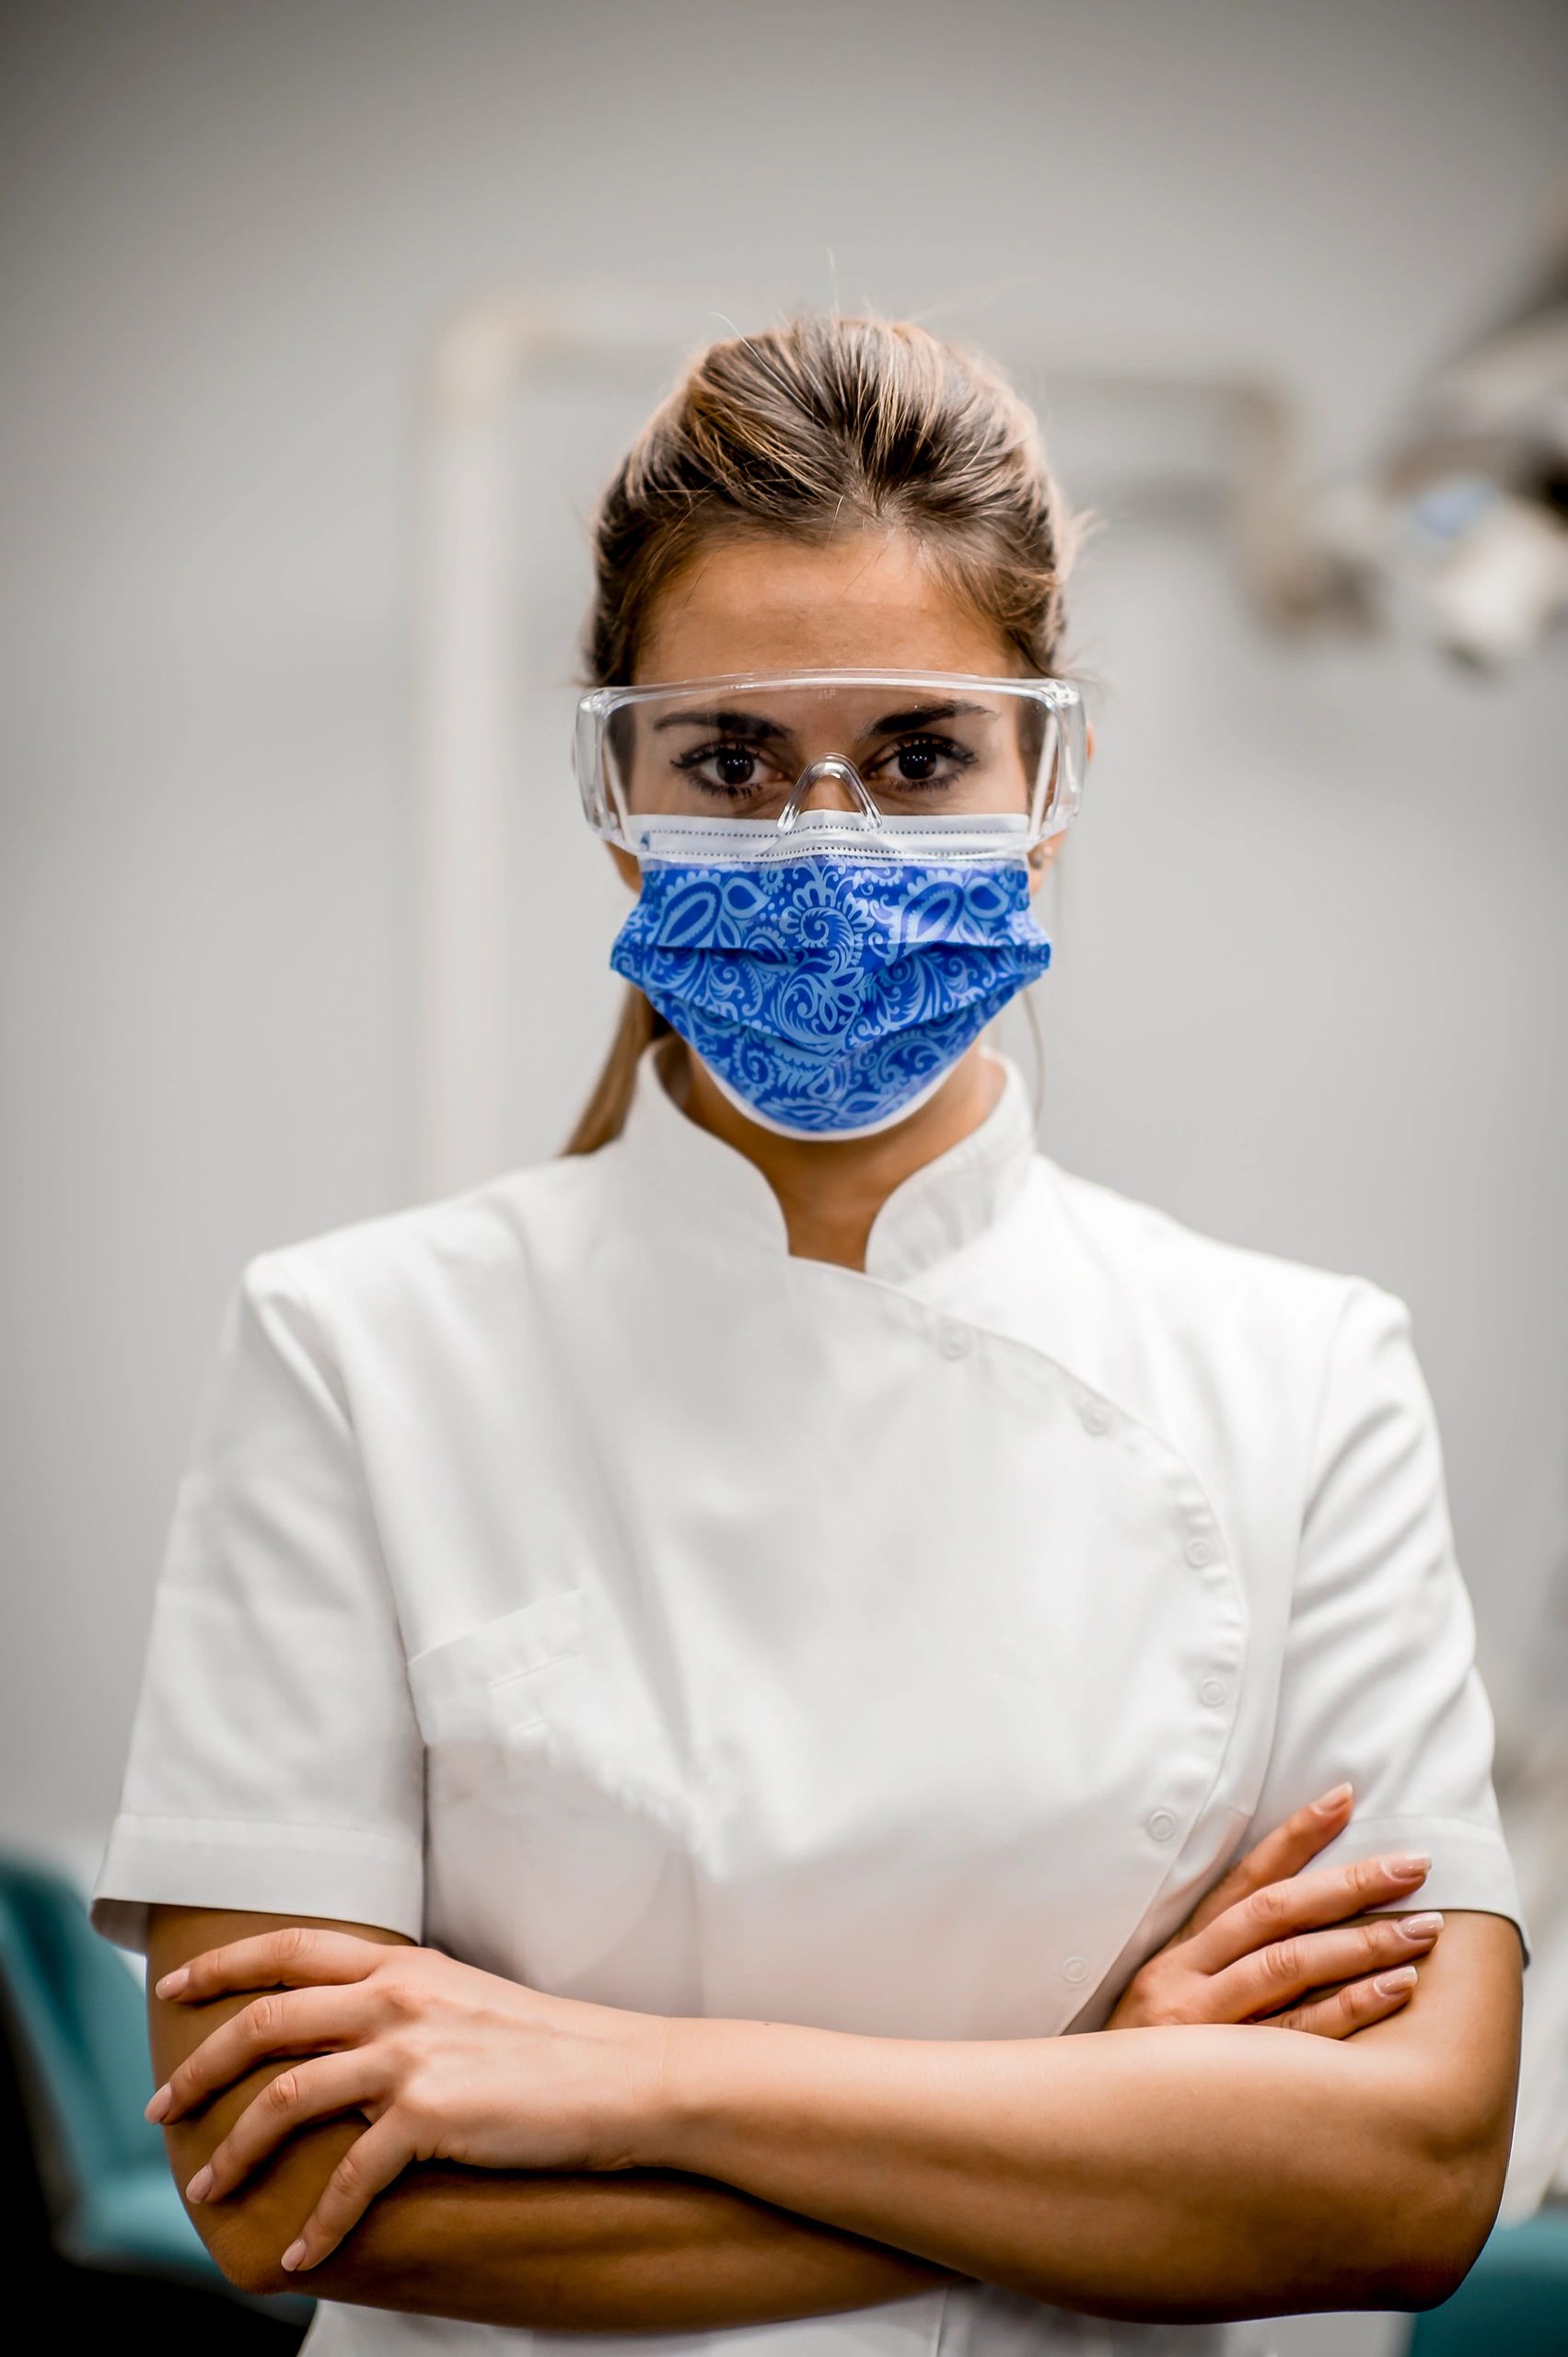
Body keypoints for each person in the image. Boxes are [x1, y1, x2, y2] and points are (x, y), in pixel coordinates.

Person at [93, 314, 1527, 2357]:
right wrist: (1112, 2102)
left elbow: (1400, 2177)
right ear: (617, 794)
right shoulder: (356, 1350)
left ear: (1053, 782)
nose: (826, 840)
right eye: (732, 761)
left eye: (924, 751)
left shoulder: (1304, 1378)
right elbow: (278, 2178)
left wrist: (626, 2075)